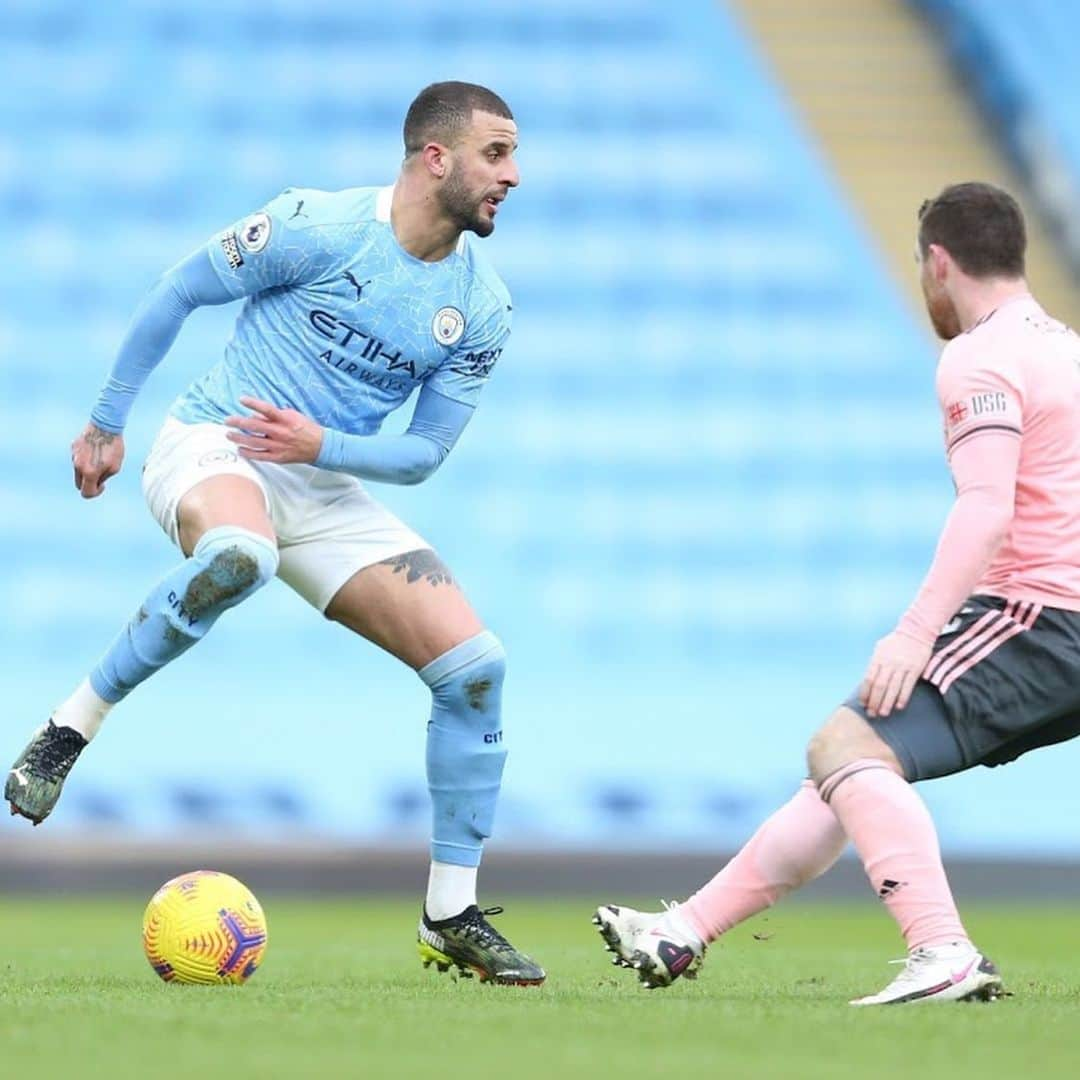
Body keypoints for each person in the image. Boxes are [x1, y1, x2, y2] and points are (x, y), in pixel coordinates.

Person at [7, 80, 544, 986]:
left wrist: (322, 445)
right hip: (216, 442)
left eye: (515, 156)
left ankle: (450, 911)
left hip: (322, 481)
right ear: (434, 157)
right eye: (497, 154)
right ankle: (70, 727)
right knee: (239, 556)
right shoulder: (317, 226)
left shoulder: (481, 306)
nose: (515, 176)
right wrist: (106, 422)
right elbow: (179, 290)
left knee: (475, 668)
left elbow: (422, 455)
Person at [595, 181, 1080, 1005]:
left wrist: (914, 632)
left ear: (937, 262)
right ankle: (684, 931)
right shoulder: (1064, 345)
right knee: (848, 770)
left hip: (1037, 614)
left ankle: (943, 952)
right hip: (1060, 619)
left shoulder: (979, 354)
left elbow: (987, 509)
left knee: (843, 748)